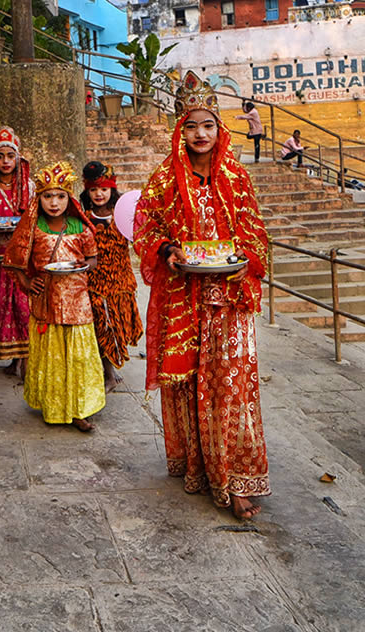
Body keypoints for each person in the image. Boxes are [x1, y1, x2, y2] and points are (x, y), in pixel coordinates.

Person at [134, 71, 270, 520]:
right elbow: (146, 224)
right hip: (183, 295)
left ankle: (232, 477)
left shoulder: (236, 175)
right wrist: (167, 250)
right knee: (189, 385)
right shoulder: (163, 178)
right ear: (180, 129)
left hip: (228, 299)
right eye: (191, 125)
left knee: (229, 387)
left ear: (219, 127)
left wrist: (243, 259)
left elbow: (256, 232)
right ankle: (197, 464)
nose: (200, 134)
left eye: (207, 125)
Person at [4, 161, 105, 432]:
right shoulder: (32, 228)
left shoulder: (80, 227)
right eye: (47, 196)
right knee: (53, 354)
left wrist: (80, 267)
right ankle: (53, 405)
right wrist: (27, 283)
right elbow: (13, 262)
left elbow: (93, 260)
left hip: (77, 300)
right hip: (46, 301)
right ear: (39, 198)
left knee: (78, 356)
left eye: (60, 196)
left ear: (69, 198)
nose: (54, 202)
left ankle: (79, 409)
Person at [80, 161, 143, 391]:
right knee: (101, 326)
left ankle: (111, 365)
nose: (99, 194)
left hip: (120, 282)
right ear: (87, 191)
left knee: (118, 327)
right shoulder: (83, 218)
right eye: (94, 190)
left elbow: (139, 237)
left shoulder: (123, 216)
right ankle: (107, 372)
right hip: (95, 282)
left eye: (104, 190)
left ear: (112, 190)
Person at [0, 126, 33, 377]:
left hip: (21, 257)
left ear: (18, 158)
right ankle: (12, 357)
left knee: (23, 307)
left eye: (10, 157)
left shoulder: (29, 187)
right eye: (0, 156)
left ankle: (25, 359)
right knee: (1, 308)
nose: (5, 162)